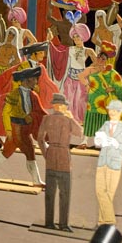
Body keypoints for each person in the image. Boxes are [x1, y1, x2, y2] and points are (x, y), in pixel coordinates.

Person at [0, 66, 46, 185]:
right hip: (17, 128)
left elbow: (39, 111)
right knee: (30, 152)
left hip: (24, 128)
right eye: (34, 79)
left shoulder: (33, 95)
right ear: (26, 80)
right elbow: (6, 112)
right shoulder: (14, 94)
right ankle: (36, 180)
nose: (36, 81)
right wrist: (8, 130)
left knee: (7, 152)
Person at [37, 93, 84, 231]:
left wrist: (46, 154)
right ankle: (63, 224)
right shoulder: (67, 120)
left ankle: (49, 222)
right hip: (63, 155)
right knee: (65, 192)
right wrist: (72, 118)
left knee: (50, 193)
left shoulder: (46, 119)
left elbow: (40, 138)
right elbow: (80, 133)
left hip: (51, 154)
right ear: (62, 106)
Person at [93, 100, 122, 225]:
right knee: (100, 191)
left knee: (109, 194)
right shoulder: (105, 125)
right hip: (102, 162)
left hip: (115, 164)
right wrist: (99, 141)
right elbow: (97, 141)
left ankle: (103, 222)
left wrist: (118, 145)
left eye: (115, 111)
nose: (112, 113)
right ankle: (109, 221)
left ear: (120, 113)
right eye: (110, 110)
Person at [47, 23, 96, 124]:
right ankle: (67, 119)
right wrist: (49, 41)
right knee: (68, 98)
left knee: (79, 100)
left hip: (81, 79)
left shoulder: (88, 50)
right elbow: (58, 55)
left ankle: (79, 120)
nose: (76, 39)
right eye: (74, 37)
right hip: (69, 78)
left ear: (83, 36)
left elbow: (97, 62)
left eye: (78, 36)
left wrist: (88, 70)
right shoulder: (69, 49)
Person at [79, 41, 122, 139]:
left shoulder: (111, 72)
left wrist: (111, 88)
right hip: (93, 98)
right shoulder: (91, 69)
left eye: (103, 59)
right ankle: (84, 141)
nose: (100, 60)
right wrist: (87, 85)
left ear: (107, 61)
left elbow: (118, 85)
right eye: (99, 57)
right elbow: (81, 76)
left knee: (103, 119)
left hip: (104, 100)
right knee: (90, 118)